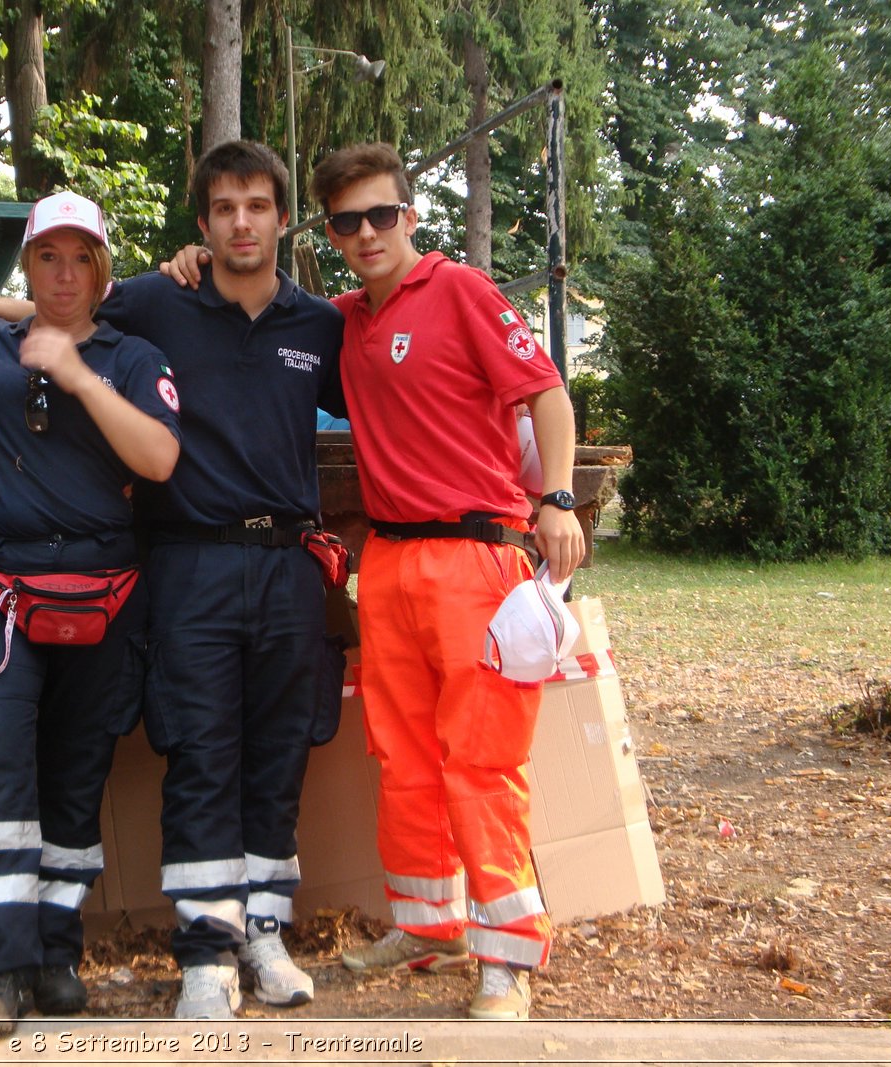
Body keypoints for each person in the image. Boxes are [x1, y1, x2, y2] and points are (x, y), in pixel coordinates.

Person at [0, 142, 346, 1021]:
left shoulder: (320, 325)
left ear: (280, 217)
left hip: (290, 563)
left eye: (257, 206)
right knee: (199, 751)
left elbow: (393, 388)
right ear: (202, 223)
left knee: (277, 755)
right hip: (189, 559)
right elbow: (63, 306)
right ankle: (204, 956)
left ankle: (264, 935)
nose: (240, 222)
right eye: (223, 208)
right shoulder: (162, 302)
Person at [308, 143, 582, 1020]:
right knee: (402, 753)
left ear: (410, 216)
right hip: (386, 559)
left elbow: (547, 392)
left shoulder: (461, 289)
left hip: (476, 553)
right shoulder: (342, 318)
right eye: (347, 221)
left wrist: (559, 498)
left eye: (381, 214)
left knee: (483, 755)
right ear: (331, 233)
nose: (366, 233)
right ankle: (430, 923)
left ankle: (507, 953)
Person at [0, 192, 181, 1035]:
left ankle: (55, 950)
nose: (64, 274)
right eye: (48, 257)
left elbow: (157, 457)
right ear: (28, 265)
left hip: (105, 590)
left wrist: (75, 371)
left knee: (78, 773)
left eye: (81, 259)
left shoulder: (135, 355)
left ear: (103, 270)